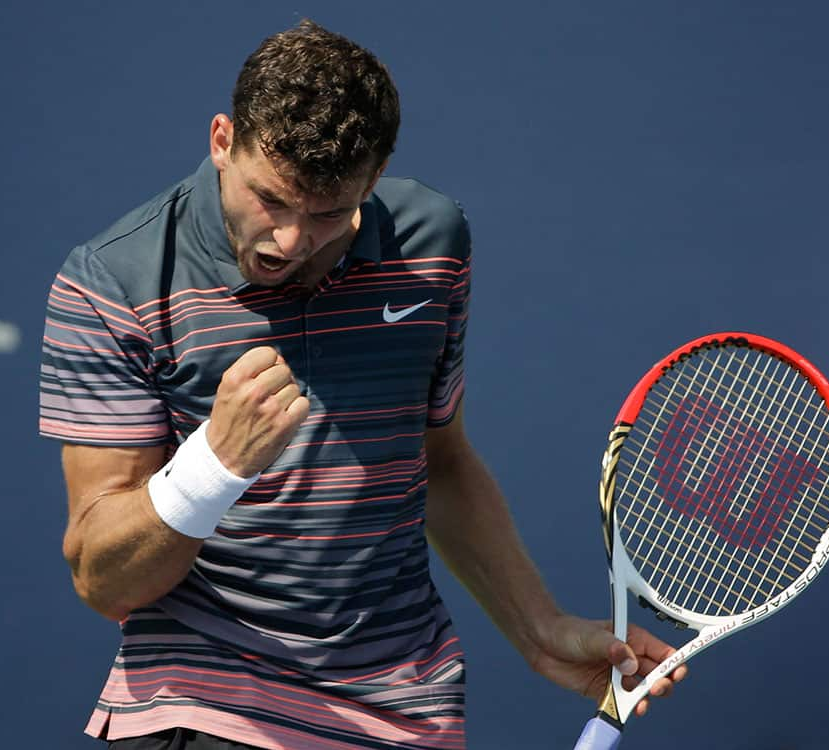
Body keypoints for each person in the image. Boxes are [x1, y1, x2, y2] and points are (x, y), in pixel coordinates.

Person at [40, 19, 686, 750]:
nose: (289, 241)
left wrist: (541, 633)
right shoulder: (111, 282)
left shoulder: (434, 242)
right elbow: (102, 580)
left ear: (373, 181)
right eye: (270, 200)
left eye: (324, 214)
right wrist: (213, 465)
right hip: (202, 702)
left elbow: (438, 462)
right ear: (222, 141)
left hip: (404, 709)